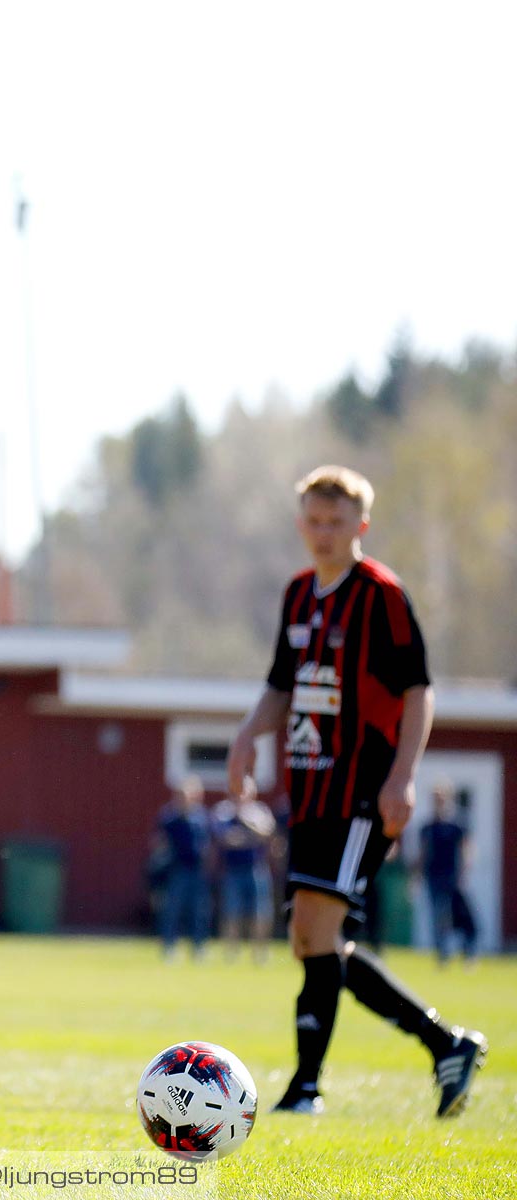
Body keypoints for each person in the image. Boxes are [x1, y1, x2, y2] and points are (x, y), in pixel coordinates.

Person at [227, 465, 485, 1119]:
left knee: (317, 929)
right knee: (314, 941)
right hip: (308, 791)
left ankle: (306, 1090)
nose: (322, 533)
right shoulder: (297, 595)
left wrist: (403, 776)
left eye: (335, 522)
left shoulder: (381, 595)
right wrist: (246, 736)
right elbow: (282, 685)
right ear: (300, 524)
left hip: (362, 791)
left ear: (360, 526)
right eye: (313, 521)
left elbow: (418, 690)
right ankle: (444, 1043)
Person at [210, 776, 275, 963]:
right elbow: (226, 839)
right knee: (231, 911)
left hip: (257, 869)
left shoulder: (260, 810)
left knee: (261, 912)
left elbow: (267, 833)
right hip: (232, 870)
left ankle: (260, 952)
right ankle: (231, 952)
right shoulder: (222, 811)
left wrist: (245, 821)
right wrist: (251, 837)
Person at [418, 783, 477, 967]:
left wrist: (464, 873)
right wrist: (416, 877)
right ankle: (442, 954)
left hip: (453, 877)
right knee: (438, 916)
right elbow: (423, 854)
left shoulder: (456, 826)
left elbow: (466, 849)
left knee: (459, 915)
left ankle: (468, 951)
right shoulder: (427, 827)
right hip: (433, 876)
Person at [152, 778, 211, 960]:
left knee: (198, 911)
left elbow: (207, 843)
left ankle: (198, 948)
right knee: (172, 910)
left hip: (197, 870)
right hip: (177, 870)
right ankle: (169, 947)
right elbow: (159, 842)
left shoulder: (201, 817)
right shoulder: (170, 817)